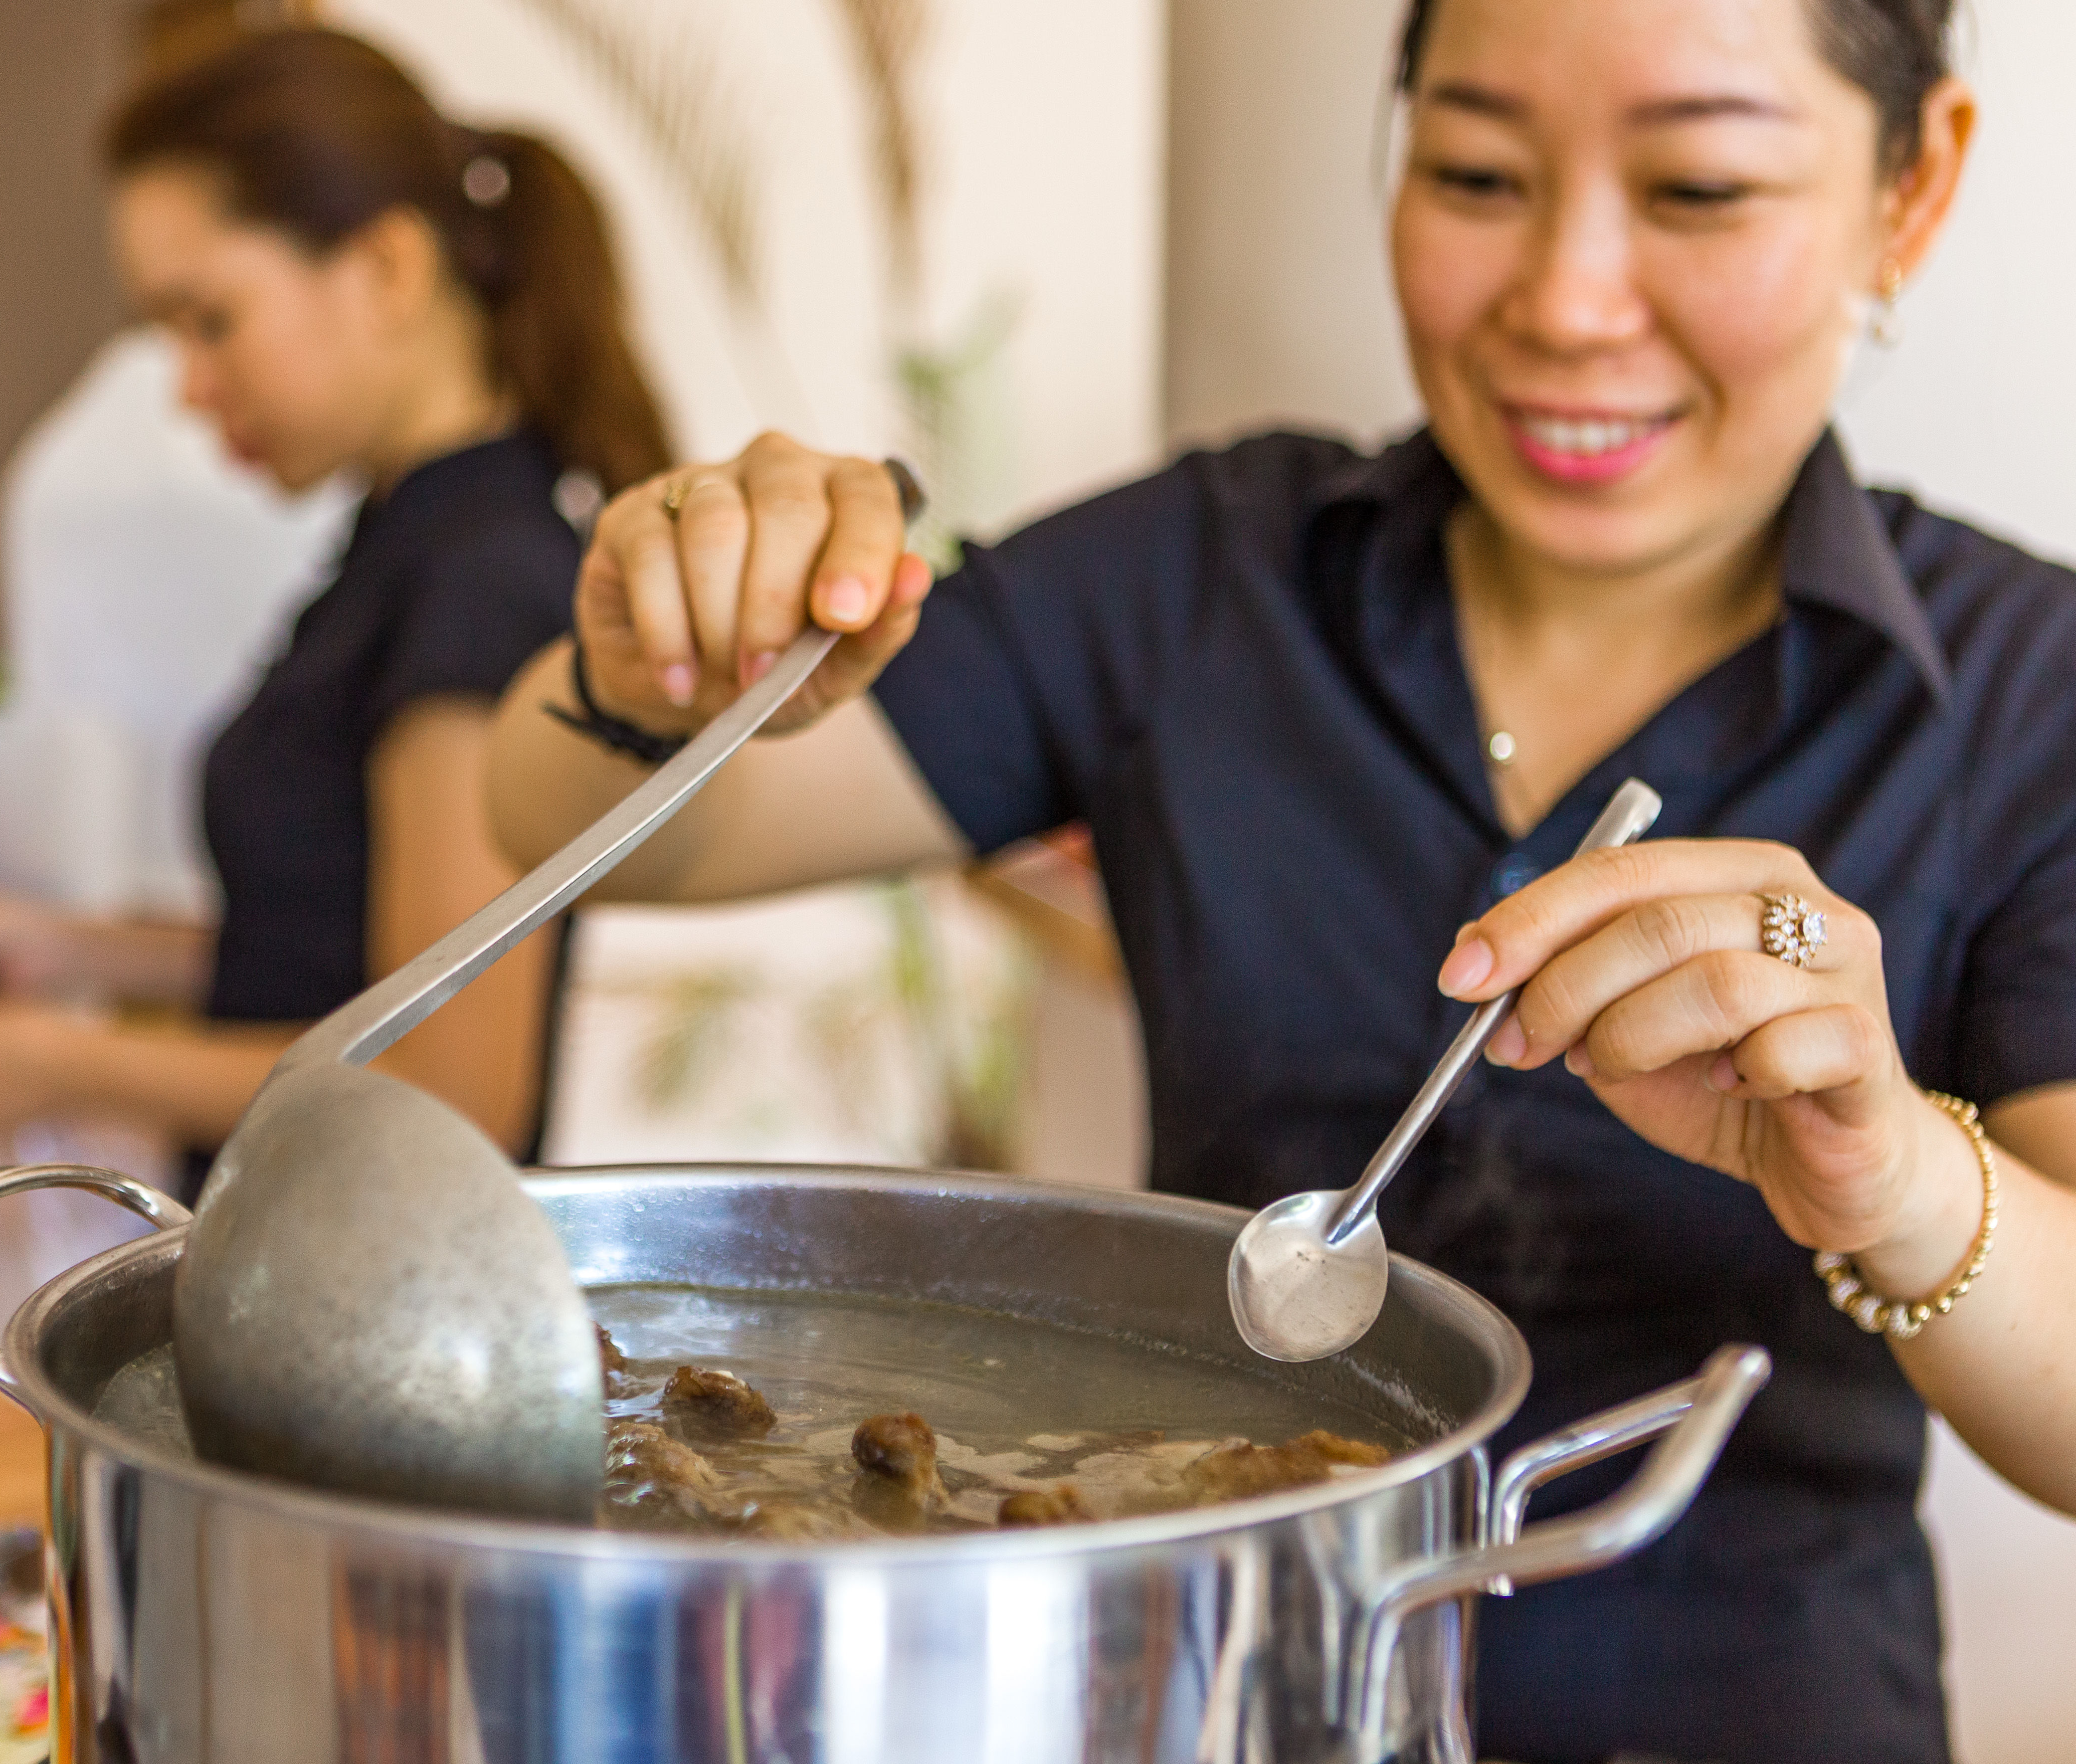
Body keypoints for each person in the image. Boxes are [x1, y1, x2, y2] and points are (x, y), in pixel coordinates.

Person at [487, 0, 2076, 1757]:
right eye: (1474, 172)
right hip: (1216, 1697)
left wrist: (1900, 1174)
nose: (1561, 299)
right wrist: (655, 660)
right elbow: (603, 824)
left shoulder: (2027, 690)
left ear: (1908, 187)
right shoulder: (1203, 575)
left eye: (1695, 186)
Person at [0, 27, 671, 1162]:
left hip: (380, 1318)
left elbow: (444, 1090)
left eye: (210, 320)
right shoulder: (407, 539)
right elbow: (323, 958)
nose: (189, 391)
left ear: (388, 269)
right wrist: (66, 947)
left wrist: (55, 1062)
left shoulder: (480, 584)